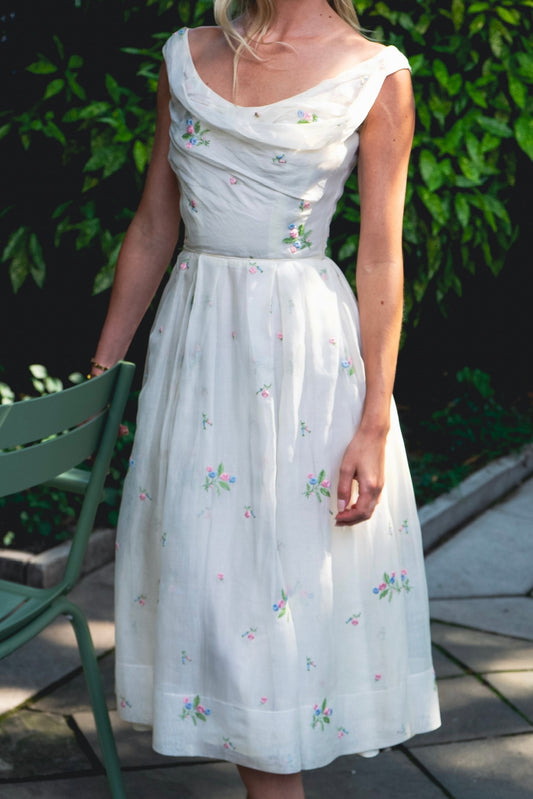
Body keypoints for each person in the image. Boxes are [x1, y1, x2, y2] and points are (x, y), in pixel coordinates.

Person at [91, 1, 441, 796]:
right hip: (195, 350)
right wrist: (104, 368)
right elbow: (154, 224)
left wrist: (373, 424)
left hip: (303, 361)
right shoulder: (184, 56)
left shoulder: (376, 75)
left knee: (283, 593)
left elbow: (380, 257)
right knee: (209, 581)